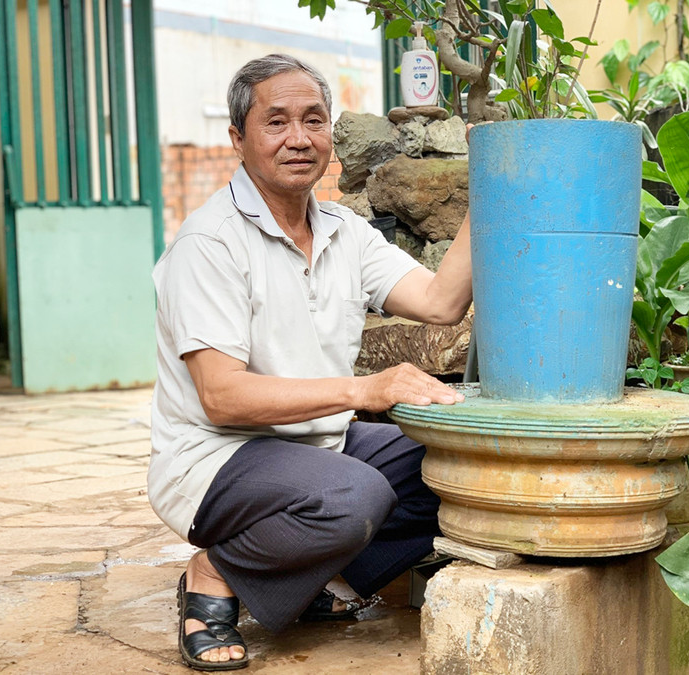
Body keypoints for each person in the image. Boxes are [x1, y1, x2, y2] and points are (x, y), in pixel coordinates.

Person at [149, 53, 472, 671]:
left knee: (459, 464)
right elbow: (222, 397)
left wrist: (493, 186)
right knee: (355, 497)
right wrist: (363, 390)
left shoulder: (343, 231)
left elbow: (441, 301)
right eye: (276, 122)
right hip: (217, 455)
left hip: (314, 448)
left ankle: (310, 577)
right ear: (238, 139)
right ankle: (214, 572)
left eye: (314, 120)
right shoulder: (209, 243)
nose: (299, 139)